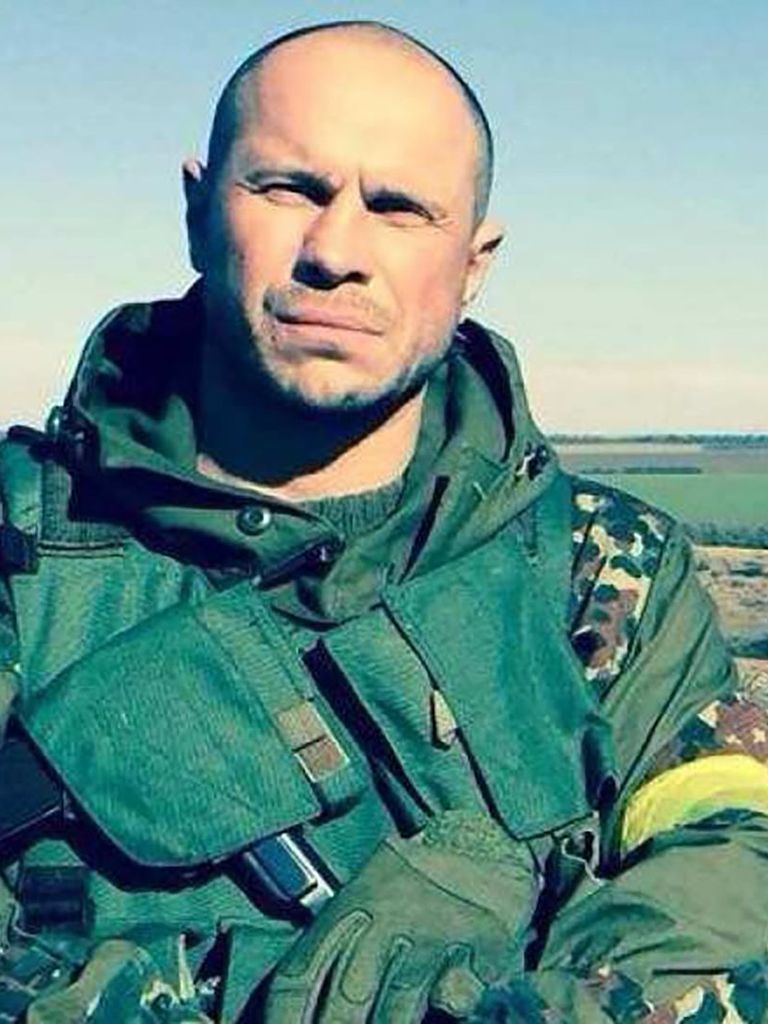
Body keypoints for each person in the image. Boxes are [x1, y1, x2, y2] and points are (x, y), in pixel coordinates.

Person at [1, 19, 767, 1024]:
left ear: (475, 261)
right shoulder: (20, 548)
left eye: (400, 208)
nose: (335, 252)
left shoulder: (608, 573)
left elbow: (732, 866)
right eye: (289, 188)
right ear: (197, 209)